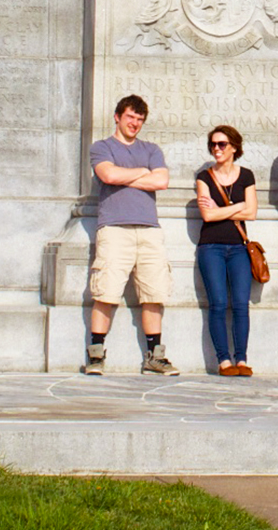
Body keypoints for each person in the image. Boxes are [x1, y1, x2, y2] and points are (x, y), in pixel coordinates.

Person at [85, 94, 179, 375]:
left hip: (149, 229)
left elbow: (161, 181)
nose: (134, 124)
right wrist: (140, 173)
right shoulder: (101, 147)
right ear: (117, 116)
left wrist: (125, 174)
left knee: (154, 292)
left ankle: (156, 356)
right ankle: (96, 355)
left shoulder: (151, 149)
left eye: (139, 120)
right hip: (114, 228)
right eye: (130, 118)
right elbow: (108, 176)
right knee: (106, 292)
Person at [193, 124, 259, 376]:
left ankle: (241, 359)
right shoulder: (204, 177)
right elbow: (207, 216)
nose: (216, 149)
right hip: (211, 247)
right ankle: (223, 361)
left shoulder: (246, 176)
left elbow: (251, 213)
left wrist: (224, 209)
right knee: (218, 303)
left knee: (241, 304)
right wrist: (238, 205)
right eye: (213, 144)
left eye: (222, 144)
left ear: (234, 147)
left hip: (239, 248)